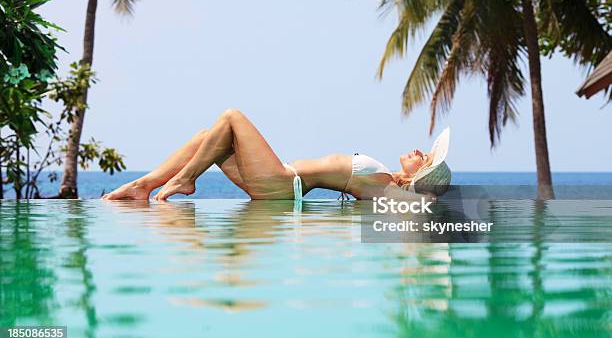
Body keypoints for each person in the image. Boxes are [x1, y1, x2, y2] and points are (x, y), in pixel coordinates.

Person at [102, 109, 451, 201]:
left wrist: (428, 195)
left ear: (420, 175)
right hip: (281, 179)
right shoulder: (384, 178)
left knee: (231, 117)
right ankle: (143, 185)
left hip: (283, 185)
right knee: (207, 136)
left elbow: (419, 208)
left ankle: (187, 179)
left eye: (427, 157)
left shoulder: (386, 187)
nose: (421, 149)